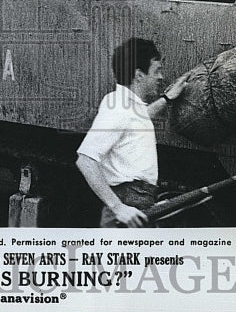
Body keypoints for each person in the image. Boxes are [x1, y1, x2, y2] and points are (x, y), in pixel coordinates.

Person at [76, 37, 191, 228]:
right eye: (157, 71)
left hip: (138, 201)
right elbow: (85, 160)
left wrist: (167, 98)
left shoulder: (125, 105)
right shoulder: (119, 108)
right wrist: (118, 207)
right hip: (127, 204)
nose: (161, 77)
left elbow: (137, 120)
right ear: (139, 75)